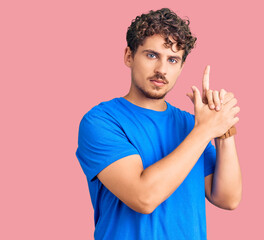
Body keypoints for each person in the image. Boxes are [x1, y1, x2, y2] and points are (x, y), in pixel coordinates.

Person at [76, 8, 241, 240]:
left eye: (172, 60)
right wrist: (205, 130)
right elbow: (143, 197)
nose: (162, 70)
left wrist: (223, 129)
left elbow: (227, 198)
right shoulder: (101, 121)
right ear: (129, 56)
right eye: (152, 55)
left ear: (181, 67)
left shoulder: (190, 125)